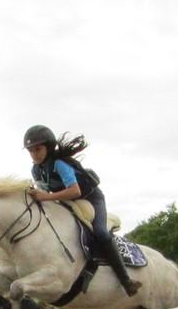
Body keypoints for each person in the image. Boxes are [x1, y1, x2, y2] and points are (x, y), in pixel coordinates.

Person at [23, 124, 142, 297]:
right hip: (67, 202)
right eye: (30, 151)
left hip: (90, 199)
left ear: (48, 147)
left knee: (101, 233)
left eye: (38, 149)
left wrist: (45, 197)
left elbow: (75, 191)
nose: (34, 154)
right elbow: (45, 194)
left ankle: (126, 281)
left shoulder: (59, 164)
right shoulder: (36, 170)